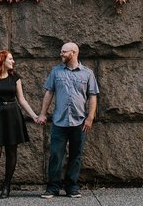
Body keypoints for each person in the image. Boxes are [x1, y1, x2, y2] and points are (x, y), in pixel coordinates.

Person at [0, 49, 45, 199]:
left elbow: (22, 100)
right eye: (10, 59)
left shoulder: (15, 78)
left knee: (11, 152)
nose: (13, 61)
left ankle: (6, 185)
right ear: (2, 61)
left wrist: (34, 116)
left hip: (12, 115)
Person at [38, 41, 98, 199]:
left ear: (74, 53)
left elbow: (92, 96)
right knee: (56, 155)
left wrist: (90, 118)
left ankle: (72, 187)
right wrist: (43, 113)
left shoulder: (87, 73)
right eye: (61, 51)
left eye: (64, 52)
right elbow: (49, 93)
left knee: (76, 155)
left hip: (80, 122)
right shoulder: (56, 72)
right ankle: (52, 187)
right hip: (59, 121)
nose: (61, 54)